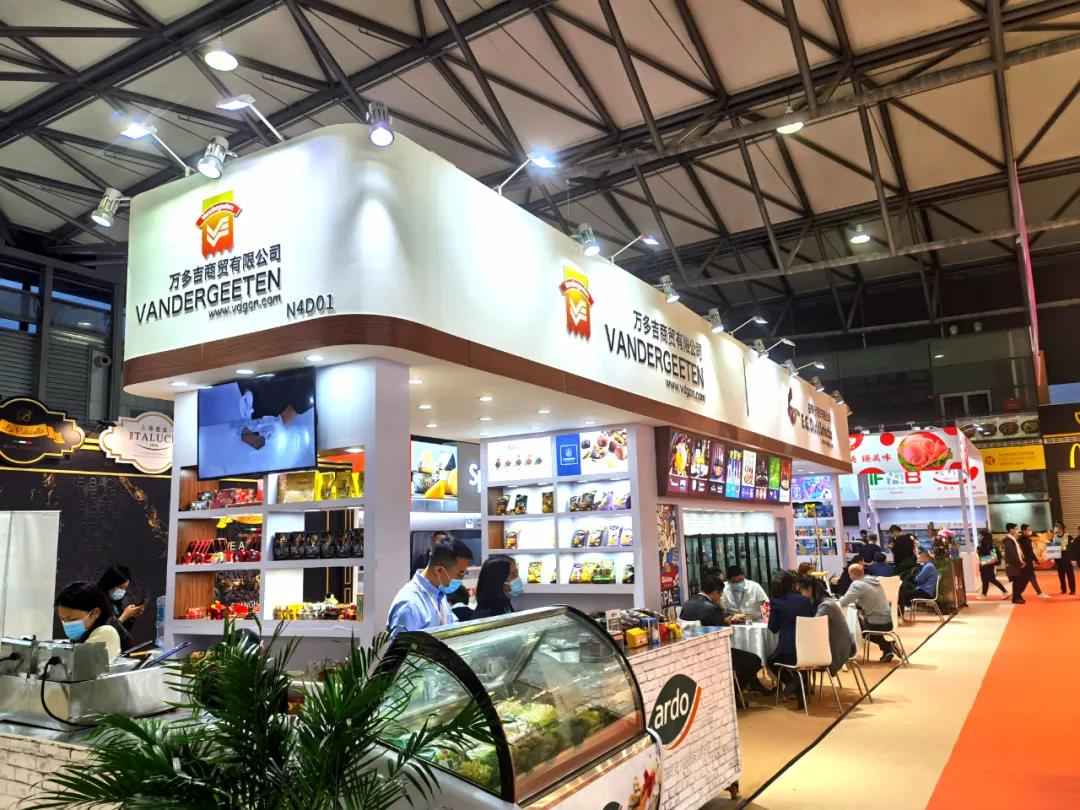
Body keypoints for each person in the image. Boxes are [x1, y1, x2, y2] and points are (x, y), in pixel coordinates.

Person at [680, 573, 772, 695]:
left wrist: (726, 620)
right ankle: (734, 693)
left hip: (692, 653)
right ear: (714, 593)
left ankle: (750, 686)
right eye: (720, 594)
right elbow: (724, 634)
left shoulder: (686, 605)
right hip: (715, 654)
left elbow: (706, 625)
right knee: (754, 660)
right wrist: (727, 623)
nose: (720, 598)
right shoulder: (713, 608)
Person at [387, 539, 472, 634]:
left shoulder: (439, 594)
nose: (459, 580)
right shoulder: (409, 605)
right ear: (439, 570)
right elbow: (401, 643)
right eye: (459, 575)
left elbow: (452, 624)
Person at [766, 572, 815, 708]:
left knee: (771, 661)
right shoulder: (804, 600)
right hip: (809, 650)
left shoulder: (776, 601)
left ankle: (792, 683)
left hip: (789, 650)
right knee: (799, 665)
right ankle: (798, 687)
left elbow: (773, 628)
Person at [839, 563, 898, 662]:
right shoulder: (873, 580)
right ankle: (887, 649)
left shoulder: (857, 584)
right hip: (889, 620)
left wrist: (839, 598)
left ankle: (888, 646)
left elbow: (843, 602)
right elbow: (868, 598)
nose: (849, 577)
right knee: (861, 624)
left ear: (853, 574)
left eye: (849, 574)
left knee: (855, 626)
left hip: (877, 622)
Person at [796, 576, 854, 676]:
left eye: (801, 590)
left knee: (796, 656)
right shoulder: (826, 602)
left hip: (837, 651)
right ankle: (801, 684)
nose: (800, 594)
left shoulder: (826, 606)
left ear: (809, 589)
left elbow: (813, 628)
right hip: (839, 646)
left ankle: (798, 684)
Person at [54, 582, 121, 661]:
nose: (67, 625)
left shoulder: (106, 632)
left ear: (95, 613)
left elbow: (82, 664)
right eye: (63, 619)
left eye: (72, 619)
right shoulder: (84, 634)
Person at [98, 564, 143, 651]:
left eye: (125, 588)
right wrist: (124, 616)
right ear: (110, 583)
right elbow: (103, 634)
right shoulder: (97, 602)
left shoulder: (115, 604)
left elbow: (122, 631)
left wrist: (131, 618)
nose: (123, 591)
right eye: (121, 587)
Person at [473, 554, 522, 619]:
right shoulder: (487, 615)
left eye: (517, 573)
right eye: (513, 574)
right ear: (498, 580)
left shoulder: (504, 603)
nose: (517, 578)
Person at [976, 529, 1008, 599]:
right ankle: (984, 594)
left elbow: (986, 555)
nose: (978, 536)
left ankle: (1005, 592)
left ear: (982, 535)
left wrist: (979, 551)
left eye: (979, 534)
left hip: (986, 565)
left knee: (990, 579)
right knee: (986, 580)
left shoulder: (985, 543)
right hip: (988, 564)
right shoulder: (989, 543)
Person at [1019, 524, 1048, 599]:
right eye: (1028, 529)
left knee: (1025, 578)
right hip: (1026, 562)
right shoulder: (1023, 540)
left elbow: (1030, 552)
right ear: (1024, 531)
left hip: (1026, 561)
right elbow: (1029, 552)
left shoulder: (1026, 539)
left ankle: (1017, 592)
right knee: (1031, 576)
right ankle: (1039, 593)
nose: (1030, 531)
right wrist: (1036, 560)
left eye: (1030, 529)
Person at [1003, 523, 1028, 604]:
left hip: (1016, 563)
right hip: (1013, 564)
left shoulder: (1013, 538)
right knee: (1017, 581)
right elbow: (1012, 553)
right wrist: (1020, 562)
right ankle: (1016, 598)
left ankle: (1018, 596)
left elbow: (1018, 551)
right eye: (1015, 528)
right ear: (1011, 529)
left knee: (1018, 581)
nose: (1017, 530)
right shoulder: (1008, 539)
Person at [1051, 522, 1075, 595]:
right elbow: (1053, 548)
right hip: (1058, 559)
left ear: (1061, 528)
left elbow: (1070, 547)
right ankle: (1063, 589)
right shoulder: (1054, 537)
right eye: (1055, 527)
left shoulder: (1068, 536)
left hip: (1067, 558)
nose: (1055, 528)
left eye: (1057, 527)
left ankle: (1072, 590)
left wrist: (1072, 558)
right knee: (1061, 575)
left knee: (1070, 575)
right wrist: (1053, 557)